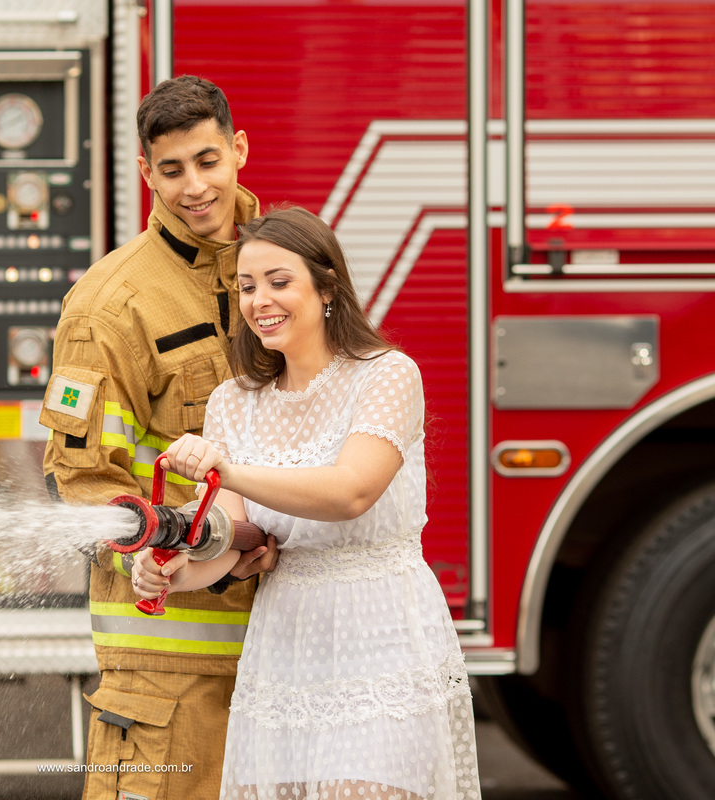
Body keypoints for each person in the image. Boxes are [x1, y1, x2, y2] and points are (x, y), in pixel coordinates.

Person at [131, 206, 482, 800]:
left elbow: (351, 492)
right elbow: (233, 542)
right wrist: (174, 571)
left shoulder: (387, 375)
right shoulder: (231, 402)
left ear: (327, 288)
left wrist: (228, 471)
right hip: (285, 649)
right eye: (246, 286)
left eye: (278, 281)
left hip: (382, 636)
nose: (259, 300)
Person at [40, 75, 278, 800]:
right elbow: (80, 479)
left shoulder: (283, 272)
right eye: (172, 169)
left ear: (238, 149)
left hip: (287, 648)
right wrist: (162, 544)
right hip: (170, 662)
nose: (194, 186)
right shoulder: (110, 307)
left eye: (207, 160)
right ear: (146, 172)